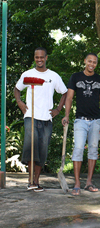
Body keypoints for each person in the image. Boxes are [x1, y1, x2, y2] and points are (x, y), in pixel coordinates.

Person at [14, 47, 67, 192]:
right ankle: (30, 181)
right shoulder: (28, 74)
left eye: (41, 57)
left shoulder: (54, 76)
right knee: (32, 148)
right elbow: (17, 89)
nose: (39, 60)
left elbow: (65, 92)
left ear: (46, 58)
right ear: (34, 58)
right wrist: (20, 102)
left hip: (46, 118)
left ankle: (36, 181)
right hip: (30, 116)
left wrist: (57, 109)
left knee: (42, 150)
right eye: (37, 57)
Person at [62, 53, 100, 196]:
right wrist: (66, 115)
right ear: (85, 61)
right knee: (78, 149)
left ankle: (89, 182)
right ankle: (77, 183)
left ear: (96, 64)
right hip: (80, 120)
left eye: (94, 62)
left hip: (96, 121)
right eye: (89, 61)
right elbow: (69, 98)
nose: (92, 64)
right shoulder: (75, 77)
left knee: (93, 150)